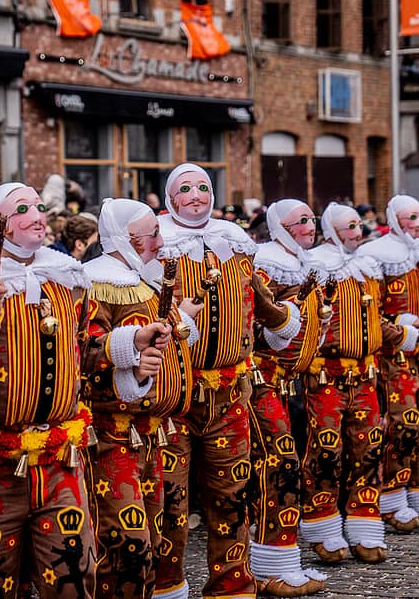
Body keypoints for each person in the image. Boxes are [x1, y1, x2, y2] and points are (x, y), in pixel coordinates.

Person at [154, 164, 300, 599]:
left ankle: (232, 584)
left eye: (204, 187)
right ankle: (166, 585)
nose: (197, 195)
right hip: (174, 396)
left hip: (230, 392)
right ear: (170, 199)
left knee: (231, 492)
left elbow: (261, 305)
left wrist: (282, 320)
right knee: (170, 500)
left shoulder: (234, 243)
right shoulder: (159, 245)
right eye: (185, 189)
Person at [0, 182, 96, 599]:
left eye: (38, 206)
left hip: (59, 458)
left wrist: (130, 347)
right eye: (22, 209)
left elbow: (83, 348)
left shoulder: (65, 275)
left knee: (74, 570)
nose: (37, 214)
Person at [82, 198, 201, 599]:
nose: (160, 241)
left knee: (159, 527)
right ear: (124, 237)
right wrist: (128, 359)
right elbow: (83, 354)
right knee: (124, 537)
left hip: (154, 433)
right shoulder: (98, 282)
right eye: (152, 233)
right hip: (112, 434)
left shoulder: (146, 280)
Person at [300, 203, 412, 565]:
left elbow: (376, 319)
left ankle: (365, 524)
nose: (358, 232)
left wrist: (401, 335)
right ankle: (324, 526)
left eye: (359, 225)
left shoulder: (367, 268)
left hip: (365, 374)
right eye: (350, 227)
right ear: (332, 231)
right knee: (326, 452)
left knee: (368, 450)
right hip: (326, 375)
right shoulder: (315, 265)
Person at [359, 195, 419, 533]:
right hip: (392, 358)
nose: (418, 223)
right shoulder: (377, 255)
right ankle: (391, 494)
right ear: (394, 219)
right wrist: (399, 322)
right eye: (410, 217)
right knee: (401, 425)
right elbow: (368, 310)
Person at [247, 199, 328, 597]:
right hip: (261, 379)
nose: (309, 226)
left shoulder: (302, 261)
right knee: (280, 464)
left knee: (282, 464)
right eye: (300, 221)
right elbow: (257, 323)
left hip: (286, 381)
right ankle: (268, 563)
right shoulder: (268, 263)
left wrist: (319, 323)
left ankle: (276, 557)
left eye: (312, 220)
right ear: (279, 225)